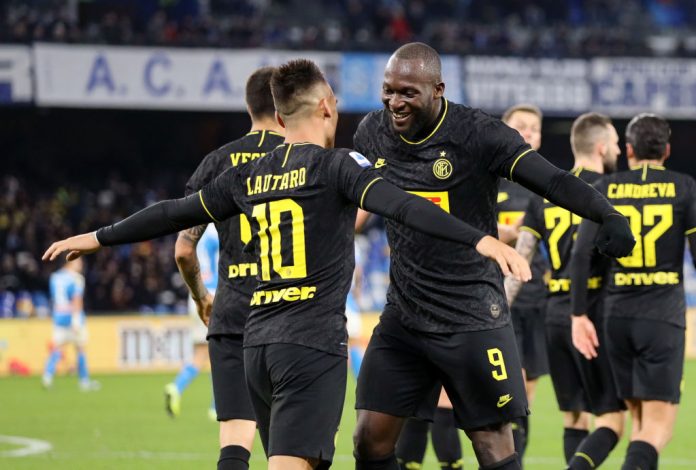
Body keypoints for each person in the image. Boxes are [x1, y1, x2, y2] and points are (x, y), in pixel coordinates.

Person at [43, 59, 532, 470]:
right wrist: (479, 240)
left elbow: (174, 213)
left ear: (277, 118)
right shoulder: (338, 166)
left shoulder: (246, 174)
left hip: (257, 345)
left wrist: (98, 237)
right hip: (310, 345)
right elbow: (405, 205)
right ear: (326, 107)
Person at [351, 42, 635, 470]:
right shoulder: (372, 132)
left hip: (471, 313)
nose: (395, 102)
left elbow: (553, 181)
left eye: (408, 92)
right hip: (404, 314)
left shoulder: (478, 134)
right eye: (389, 90)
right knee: (368, 441)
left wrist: (606, 213)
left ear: (438, 89)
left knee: (493, 448)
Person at [166, 66, 285, 470]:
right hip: (291, 314)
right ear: (286, 106)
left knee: (235, 442)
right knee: (292, 446)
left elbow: (184, 251)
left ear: (248, 107)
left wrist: (202, 297)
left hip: (232, 313)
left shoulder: (217, 161)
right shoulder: (304, 157)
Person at [571, 113, 696, 470]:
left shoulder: (605, 187)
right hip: (662, 318)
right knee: (657, 430)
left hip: (616, 318)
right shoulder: (684, 186)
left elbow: (581, 255)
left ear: (628, 150)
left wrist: (578, 314)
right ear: (667, 150)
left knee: (639, 425)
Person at [506, 112, 625, 469]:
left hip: (554, 316)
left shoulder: (543, 194)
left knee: (574, 416)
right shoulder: (610, 190)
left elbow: (521, 257)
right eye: (615, 143)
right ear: (601, 147)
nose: (618, 149)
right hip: (593, 313)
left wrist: (499, 310)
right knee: (611, 419)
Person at [496, 103, 550, 463]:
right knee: (509, 387)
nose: (528, 132)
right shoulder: (490, 179)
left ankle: (518, 460)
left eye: (534, 128)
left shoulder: (547, 184)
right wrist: (514, 232)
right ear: (505, 130)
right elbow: (473, 228)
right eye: (521, 126)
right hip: (500, 296)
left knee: (528, 391)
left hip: (538, 296)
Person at [165, 224, 219, 420]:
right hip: (214, 294)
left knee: (201, 354)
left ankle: (176, 387)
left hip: (195, 294)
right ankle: (216, 406)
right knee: (221, 353)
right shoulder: (218, 230)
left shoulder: (194, 228)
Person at [42, 257, 100, 391]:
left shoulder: (55, 277)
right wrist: (76, 319)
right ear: (70, 262)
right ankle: (84, 381)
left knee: (57, 348)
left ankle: (47, 377)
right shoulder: (77, 278)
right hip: (73, 317)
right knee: (80, 348)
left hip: (59, 317)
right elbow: (77, 299)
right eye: (78, 261)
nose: (81, 264)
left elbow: (54, 298)